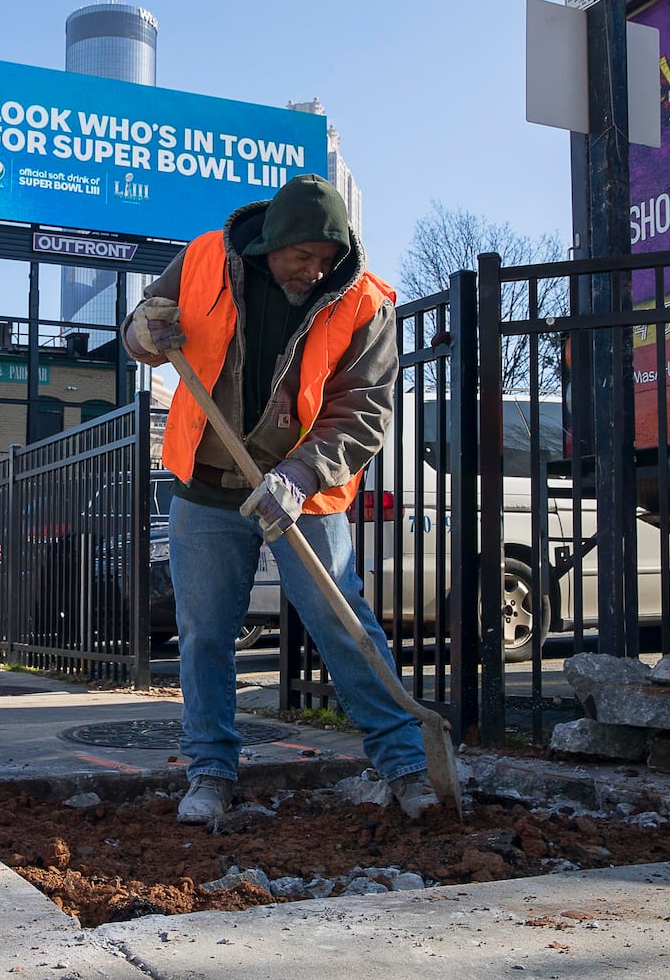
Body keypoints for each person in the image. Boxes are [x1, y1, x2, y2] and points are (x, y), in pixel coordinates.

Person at [120, 174, 437, 823]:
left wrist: (300, 474)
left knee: (344, 625)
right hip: (207, 486)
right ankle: (210, 773)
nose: (315, 270)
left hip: (303, 492)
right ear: (271, 244)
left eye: (327, 259)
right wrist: (144, 334)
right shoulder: (206, 257)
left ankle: (406, 762)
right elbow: (141, 330)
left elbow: (364, 410)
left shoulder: (365, 302)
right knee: (206, 635)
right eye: (303, 257)